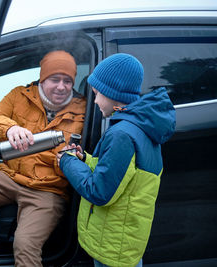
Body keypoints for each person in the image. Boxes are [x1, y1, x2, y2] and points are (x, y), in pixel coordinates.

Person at [57, 53, 176, 267]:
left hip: (112, 243)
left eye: (97, 94)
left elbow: (100, 192)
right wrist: (85, 159)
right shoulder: (141, 127)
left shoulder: (122, 135)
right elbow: (121, 175)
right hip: (125, 239)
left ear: (112, 92)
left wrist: (67, 161)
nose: (94, 101)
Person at [0, 50, 86, 266]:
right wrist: (9, 128)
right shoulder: (20, 96)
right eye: (54, 79)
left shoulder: (83, 110)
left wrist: (69, 160)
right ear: (42, 78)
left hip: (49, 189)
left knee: (25, 244)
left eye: (67, 81)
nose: (61, 86)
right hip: (10, 177)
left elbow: (80, 158)